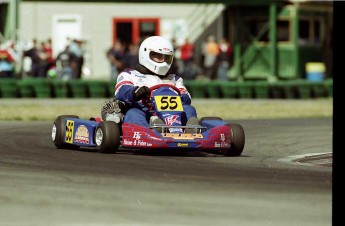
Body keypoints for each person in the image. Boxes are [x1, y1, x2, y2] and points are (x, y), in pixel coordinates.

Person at [101, 36, 198, 132]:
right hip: (144, 113)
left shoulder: (174, 79)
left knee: (189, 109)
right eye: (158, 56)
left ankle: (189, 131)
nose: (163, 60)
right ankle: (149, 132)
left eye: (166, 57)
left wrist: (180, 97)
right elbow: (121, 90)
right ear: (145, 54)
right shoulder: (130, 75)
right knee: (133, 113)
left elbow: (186, 97)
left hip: (172, 116)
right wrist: (134, 92)